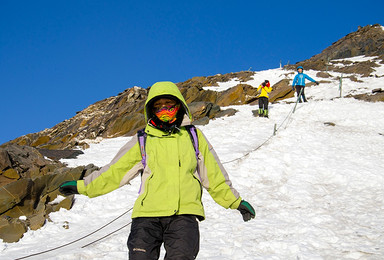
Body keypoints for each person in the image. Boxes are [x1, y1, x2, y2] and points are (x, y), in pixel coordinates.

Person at [59, 81, 255, 260]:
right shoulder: (143, 139)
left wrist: (236, 202)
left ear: (179, 106)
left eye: (169, 105)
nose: (164, 110)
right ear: (151, 110)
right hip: (147, 217)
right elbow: (115, 172)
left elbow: (214, 175)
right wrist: (83, 186)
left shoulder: (194, 137)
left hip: (184, 216)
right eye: (158, 106)